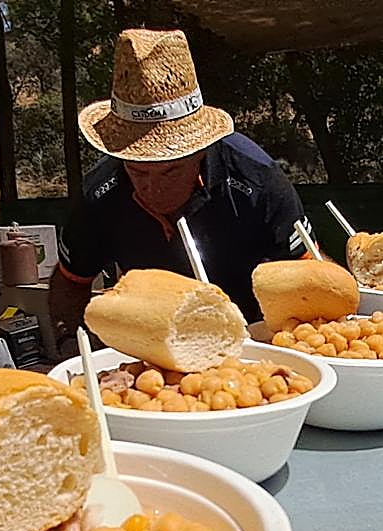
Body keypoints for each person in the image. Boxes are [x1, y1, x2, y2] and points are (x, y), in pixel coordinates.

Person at [49, 28, 318, 354]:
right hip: (148, 350)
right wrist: (68, 347)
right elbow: (70, 281)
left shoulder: (257, 180)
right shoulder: (100, 193)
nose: (152, 187)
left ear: (201, 150)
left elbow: (312, 280)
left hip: (256, 344)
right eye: (136, 170)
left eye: (170, 170)